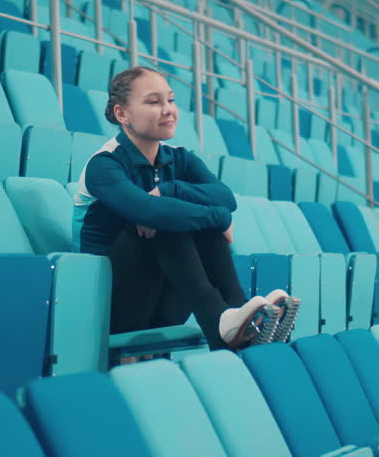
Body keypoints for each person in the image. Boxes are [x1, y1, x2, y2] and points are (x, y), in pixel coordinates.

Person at [72, 66, 299, 350]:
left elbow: (226, 198)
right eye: (154, 102)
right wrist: (217, 218)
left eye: (170, 99)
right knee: (169, 219)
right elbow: (154, 213)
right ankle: (223, 323)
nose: (168, 110)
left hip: (166, 297)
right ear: (122, 115)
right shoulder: (104, 165)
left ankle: (239, 314)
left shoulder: (179, 159)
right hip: (107, 305)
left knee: (178, 212)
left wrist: (171, 189)